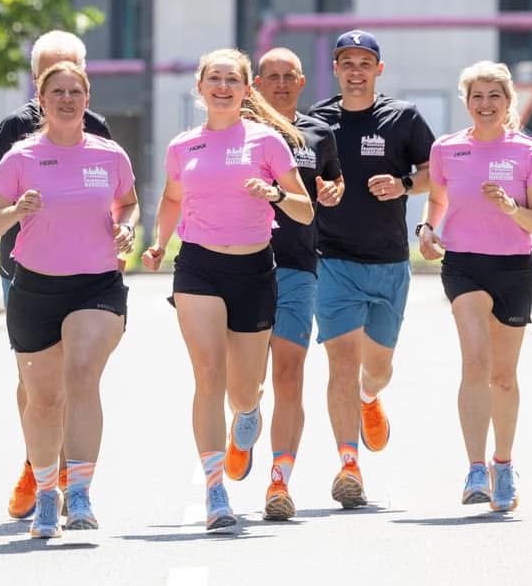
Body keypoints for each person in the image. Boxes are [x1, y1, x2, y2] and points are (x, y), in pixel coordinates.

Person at [142, 48, 314, 532]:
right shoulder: (183, 147)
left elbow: (305, 210)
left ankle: (249, 410)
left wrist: (276, 194)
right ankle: (215, 489)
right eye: (213, 79)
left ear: (246, 90)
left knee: (241, 389)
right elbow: (173, 198)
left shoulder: (268, 142)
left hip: (255, 269)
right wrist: (158, 245)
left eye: (231, 80)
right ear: (200, 88)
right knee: (207, 373)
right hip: (198, 267)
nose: (222, 87)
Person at [0, 61, 138, 537]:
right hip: (36, 288)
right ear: (41, 101)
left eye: (75, 92)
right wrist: (14, 209)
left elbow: (128, 200)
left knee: (83, 375)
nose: (67, 99)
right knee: (44, 400)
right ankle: (48, 493)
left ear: (87, 100)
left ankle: (80, 491)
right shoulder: (21, 157)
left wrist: (126, 226)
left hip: (97, 285)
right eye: (57, 92)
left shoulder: (110, 155)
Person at [308, 31, 435, 509]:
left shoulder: (402, 118)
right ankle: (348, 465)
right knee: (339, 361)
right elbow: (297, 176)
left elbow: (433, 170)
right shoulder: (318, 121)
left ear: (378, 69)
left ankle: (368, 397)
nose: (355, 70)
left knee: (376, 367)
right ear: (336, 69)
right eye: (347, 62)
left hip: (388, 262)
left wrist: (403, 184)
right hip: (333, 259)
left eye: (365, 62)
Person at [417, 61, 532, 512]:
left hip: (513, 265)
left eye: (494, 95)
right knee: (475, 359)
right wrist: (426, 229)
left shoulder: (528, 152)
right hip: (464, 264)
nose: (486, 104)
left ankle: (503, 464)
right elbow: (437, 199)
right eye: (477, 96)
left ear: (508, 101)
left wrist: (512, 207)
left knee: (503, 376)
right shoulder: (447, 149)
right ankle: (476, 468)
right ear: (467, 102)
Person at [252, 48, 344, 520]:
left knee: (289, 376)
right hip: (242, 268)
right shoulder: (239, 132)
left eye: (290, 76)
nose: (282, 83)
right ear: (257, 82)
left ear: (302, 82)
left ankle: (279, 481)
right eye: (273, 76)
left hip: (298, 266)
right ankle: (245, 416)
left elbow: (334, 182)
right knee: (243, 385)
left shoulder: (318, 133)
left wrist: (332, 190)